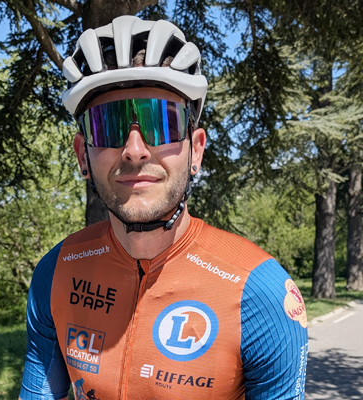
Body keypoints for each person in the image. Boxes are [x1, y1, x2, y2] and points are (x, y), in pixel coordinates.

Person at [19, 15, 308, 400]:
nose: (135, 150)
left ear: (196, 150)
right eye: (108, 124)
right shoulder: (55, 273)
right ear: (82, 155)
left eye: (161, 122)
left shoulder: (261, 295)